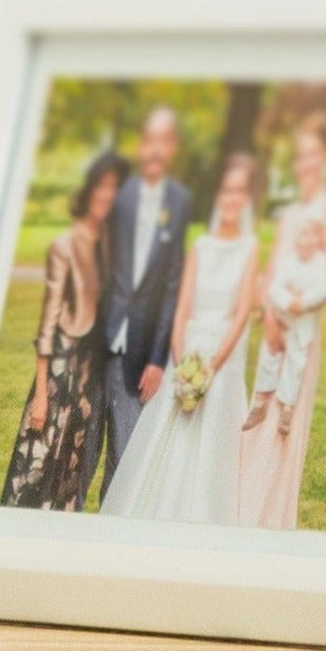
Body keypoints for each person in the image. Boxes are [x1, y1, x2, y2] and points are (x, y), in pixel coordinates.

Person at [94, 150, 261, 526]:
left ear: (246, 200)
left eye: (239, 192)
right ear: (218, 197)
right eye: (226, 191)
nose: (231, 199)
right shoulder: (200, 246)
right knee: (170, 431)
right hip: (187, 349)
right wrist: (183, 361)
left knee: (211, 434)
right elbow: (182, 308)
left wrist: (211, 366)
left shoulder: (249, 248)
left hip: (221, 356)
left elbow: (241, 313)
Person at [238, 121, 326, 530]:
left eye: (313, 154)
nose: (306, 163)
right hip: (275, 326)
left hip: (301, 334)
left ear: (324, 158)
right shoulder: (289, 216)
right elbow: (271, 272)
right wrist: (268, 316)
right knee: (260, 410)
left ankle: (270, 518)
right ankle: (242, 507)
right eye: (300, 155)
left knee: (284, 422)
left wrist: (302, 304)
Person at [0, 150, 122, 510]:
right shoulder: (64, 246)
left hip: (88, 379)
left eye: (114, 190)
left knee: (69, 472)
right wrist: (41, 394)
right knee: (36, 468)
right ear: (89, 191)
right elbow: (48, 323)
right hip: (58, 372)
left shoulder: (108, 246)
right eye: (102, 187)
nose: (106, 196)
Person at [83, 105, 189, 507]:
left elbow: (172, 285)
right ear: (143, 145)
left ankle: (109, 526)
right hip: (97, 342)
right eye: (151, 140)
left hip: (140, 353)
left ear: (173, 147)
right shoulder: (120, 195)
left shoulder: (178, 202)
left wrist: (158, 359)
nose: (156, 149)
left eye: (165, 141)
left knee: (123, 456)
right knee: (82, 450)